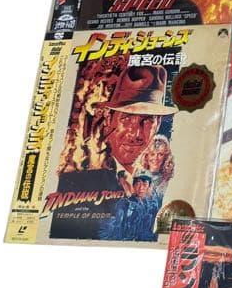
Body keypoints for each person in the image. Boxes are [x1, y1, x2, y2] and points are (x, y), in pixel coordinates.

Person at [57, 63, 177, 195]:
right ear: (109, 119)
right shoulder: (80, 179)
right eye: (126, 119)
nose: (135, 134)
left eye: (147, 120)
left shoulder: (153, 181)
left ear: (158, 124)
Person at [101, 172, 159, 242]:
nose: (141, 188)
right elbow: (117, 226)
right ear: (134, 186)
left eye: (145, 184)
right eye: (138, 184)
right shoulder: (124, 203)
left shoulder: (153, 205)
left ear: (149, 187)